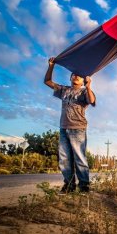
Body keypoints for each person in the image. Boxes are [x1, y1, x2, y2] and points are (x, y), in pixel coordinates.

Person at [44, 57, 96, 194]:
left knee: (79, 157)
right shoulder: (64, 90)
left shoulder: (85, 91)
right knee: (64, 159)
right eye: (74, 74)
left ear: (83, 80)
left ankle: (84, 186)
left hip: (78, 129)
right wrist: (51, 66)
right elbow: (47, 81)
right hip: (63, 128)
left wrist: (89, 86)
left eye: (79, 75)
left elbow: (91, 100)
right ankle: (69, 185)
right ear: (71, 78)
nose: (76, 76)